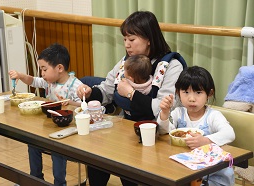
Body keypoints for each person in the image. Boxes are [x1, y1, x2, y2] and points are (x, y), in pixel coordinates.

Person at [76, 11, 186, 186]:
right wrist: (89, 93)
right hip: (127, 128)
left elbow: (164, 107)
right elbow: (107, 89)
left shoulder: (171, 66)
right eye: (125, 39)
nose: (127, 45)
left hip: (156, 133)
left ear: (148, 38)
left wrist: (131, 93)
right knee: (96, 156)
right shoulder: (126, 62)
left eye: (132, 39)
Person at [9, 43, 82, 186]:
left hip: (66, 129)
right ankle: (35, 179)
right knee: (32, 142)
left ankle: (59, 183)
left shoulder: (75, 86)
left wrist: (71, 103)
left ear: (59, 68)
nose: (42, 73)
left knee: (57, 151)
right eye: (41, 69)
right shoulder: (50, 81)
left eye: (44, 69)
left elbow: (83, 106)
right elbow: (33, 81)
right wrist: (21, 75)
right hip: (49, 127)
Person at [158, 66, 235, 186]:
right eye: (186, 92)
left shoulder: (213, 116)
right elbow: (164, 131)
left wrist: (205, 141)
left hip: (214, 177)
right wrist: (164, 113)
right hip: (185, 173)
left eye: (198, 92)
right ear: (178, 92)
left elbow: (229, 133)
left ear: (209, 93)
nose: (192, 99)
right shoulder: (178, 113)